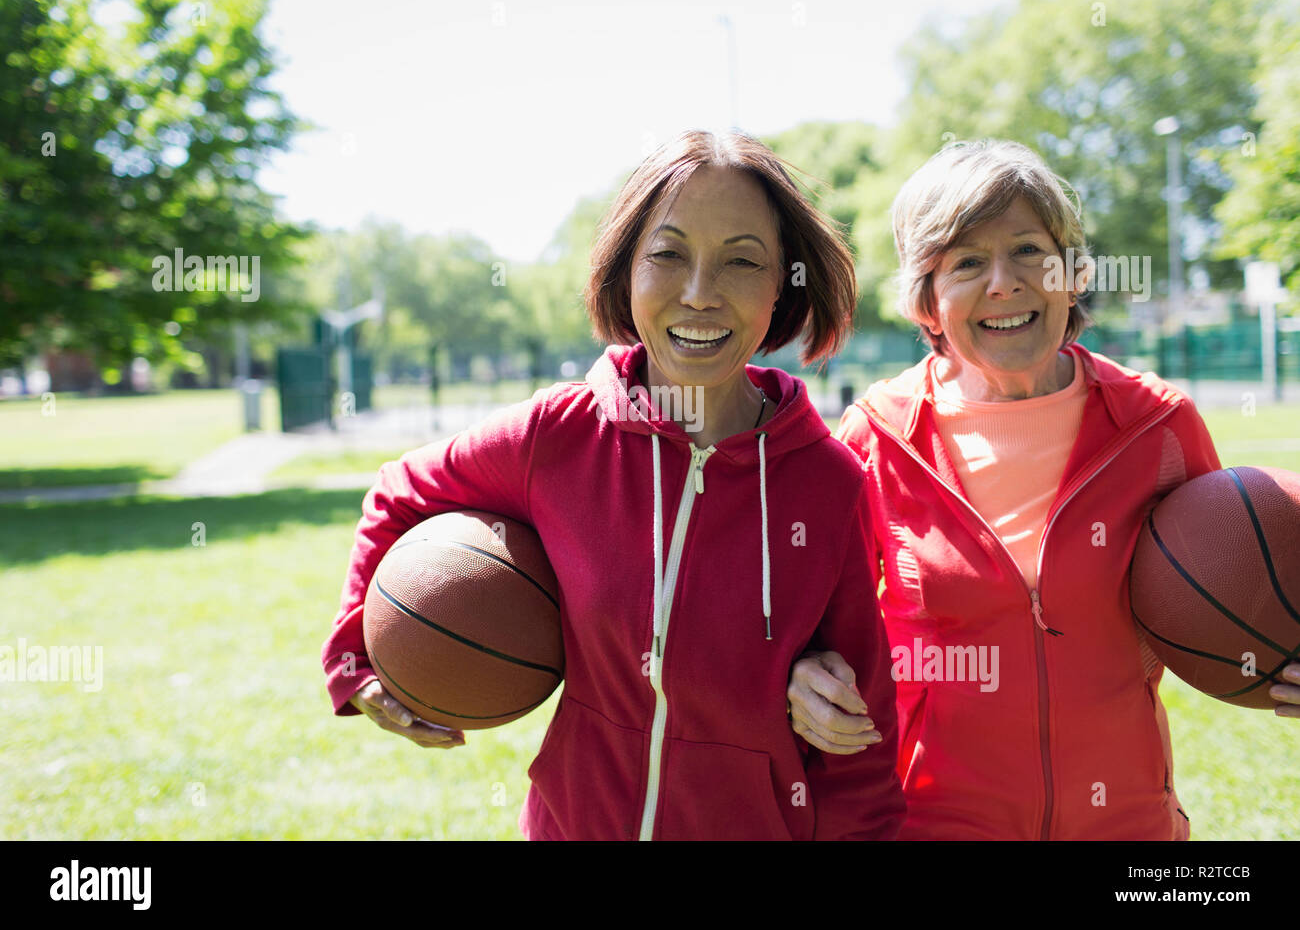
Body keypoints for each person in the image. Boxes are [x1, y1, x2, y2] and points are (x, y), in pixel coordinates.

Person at [322, 130, 906, 840]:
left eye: (742, 261)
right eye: (668, 255)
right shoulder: (556, 436)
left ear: (785, 282)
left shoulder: (828, 483)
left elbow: (860, 745)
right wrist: (357, 656)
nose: (699, 294)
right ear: (625, 270)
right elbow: (399, 492)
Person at [786, 138, 1300, 840]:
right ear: (927, 302)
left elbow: (1255, 575)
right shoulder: (878, 438)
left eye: (1029, 251)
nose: (1005, 282)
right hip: (933, 824)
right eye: (967, 262)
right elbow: (802, 624)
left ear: (1070, 273)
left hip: (1128, 824)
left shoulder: (1157, 425)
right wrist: (803, 677)